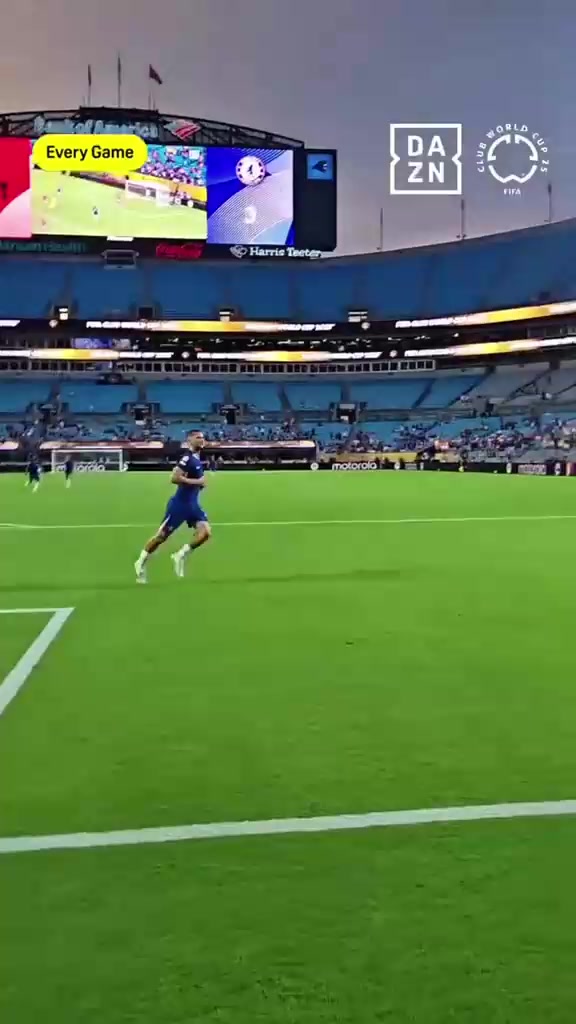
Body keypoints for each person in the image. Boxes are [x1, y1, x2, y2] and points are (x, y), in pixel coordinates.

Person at [134, 431, 211, 584]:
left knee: (205, 533)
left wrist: (198, 485)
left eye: (203, 437)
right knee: (161, 537)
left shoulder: (196, 458)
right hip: (179, 505)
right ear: (189, 440)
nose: (201, 440)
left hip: (193, 505)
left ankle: (180, 555)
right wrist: (198, 482)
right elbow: (174, 478)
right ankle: (140, 562)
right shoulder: (187, 458)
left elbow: (192, 480)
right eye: (198, 437)